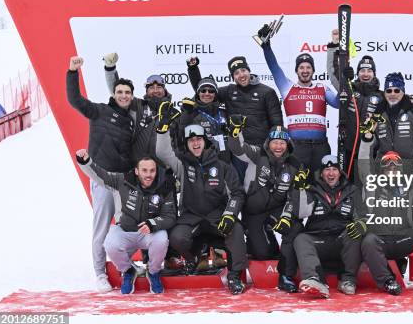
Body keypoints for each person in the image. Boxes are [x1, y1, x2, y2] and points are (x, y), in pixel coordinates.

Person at [155, 109, 248, 295]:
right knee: (176, 237)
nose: (195, 143)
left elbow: (237, 194)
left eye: (198, 139)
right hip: (192, 217)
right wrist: (162, 131)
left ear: (205, 141)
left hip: (216, 216)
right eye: (191, 140)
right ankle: (194, 257)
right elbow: (163, 152)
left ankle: (235, 275)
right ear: (187, 144)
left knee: (236, 230)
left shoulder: (222, 166)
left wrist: (230, 214)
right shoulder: (182, 164)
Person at [66, 56, 135, 292]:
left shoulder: (131, 120)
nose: (124, 96)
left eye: (127, 93)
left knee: (126, 227)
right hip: (102, 180)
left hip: (123, 183)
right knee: (102, 228)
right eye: (120, 92)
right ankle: (99, 273)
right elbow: (74, 100)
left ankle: (126, 268)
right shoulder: (99, 111)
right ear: (113, 93)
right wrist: (72, 72)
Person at [76, 151, 176, 294]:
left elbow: (170, 216)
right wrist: (86, 162)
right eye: (144, 170)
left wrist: (152, 224)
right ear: (136, 171)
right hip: (126, 231)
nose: (149, 174)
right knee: (110, 242)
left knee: (162, 239)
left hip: (148, 233)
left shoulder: (163, 186)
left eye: (152, 170)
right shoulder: (124, 181)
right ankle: (128, 270)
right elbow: (100, 175)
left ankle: (153, 272)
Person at [357, 122, 413, 294]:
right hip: (381, 240)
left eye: (395, 166)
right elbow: (364, 165)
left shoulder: (409, 185)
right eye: (387, 166)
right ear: (382, 169)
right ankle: (387, 281)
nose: (392, 169)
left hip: (403, 238)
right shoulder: (372, 185)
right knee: (368, 241)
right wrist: (366, 141)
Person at [227, 119, 302, 293]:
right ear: (269, 143)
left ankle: (286, 275)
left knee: (295, 227)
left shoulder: (295, 164)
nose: (278, 147)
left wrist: (286, 217)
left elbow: (293, 195)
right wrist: (235, 133)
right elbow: (238, 148)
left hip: (277, 208)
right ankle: (264, 237)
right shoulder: (257, 153)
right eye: (275, 142)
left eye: (282, 143)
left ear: (287, 144)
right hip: (254, 211)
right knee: (262, 253)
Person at [256, 24, 338, 176]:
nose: (305, 70)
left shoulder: (322, 88)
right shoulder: (287, 86)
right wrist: (266, 46)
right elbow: (274, 67)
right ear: (296, 71)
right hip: (297, 147)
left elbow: (339, 103)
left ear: (313, 70)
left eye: (308, 67)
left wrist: (342, 79)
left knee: (319, 184)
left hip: (320, 146)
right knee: (295, 185)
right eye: (301, 67)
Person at [187, 56, 283, 181]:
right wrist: (193, 69)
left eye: (243, 70)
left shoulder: (267, 92)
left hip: (261, 150)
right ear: (233, 77)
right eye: (236, 73)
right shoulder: (229, 91)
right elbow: (204, 92)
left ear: (249, 71)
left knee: (260, 188)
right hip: (238, 150)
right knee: (240, 187)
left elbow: (277, 122)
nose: (241, 75)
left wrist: (275, 148)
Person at [290, 155, 363, 298]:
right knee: (301, 239)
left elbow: (361, 215)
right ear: (321, 173)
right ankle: (314, 279)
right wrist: (300, 191)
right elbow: (301, 213)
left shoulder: (352, 190)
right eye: (327, 170)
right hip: (318, 238)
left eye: (334, 169)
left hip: (342, 238)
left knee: (355, 233)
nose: (331, 173)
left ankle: (348, 280)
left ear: (340, 172)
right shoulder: (312, 189)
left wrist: (361, 224)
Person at [327, 29, 384, 179]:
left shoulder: (381, 96)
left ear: (374, 74)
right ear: (358, 73)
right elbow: (332, 72)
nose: (365, 74)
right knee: (347, 185)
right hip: (348, 149)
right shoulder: (348, 88)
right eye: (362, 71)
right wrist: (334, 45)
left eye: (369, 71)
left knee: (368, 187)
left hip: (371, 152)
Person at [102, 53, 172, 164]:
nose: (155, 90)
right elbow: (119, 92)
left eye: (159, 87)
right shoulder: (138, 105)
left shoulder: (173, 112)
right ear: (146, 91)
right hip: (137, 166)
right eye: (151, 88)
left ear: (164, 90)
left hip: (163, 168)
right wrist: (110, 68)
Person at [172, 73, 229, 161]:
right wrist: (187, 113)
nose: (207, 93)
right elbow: (181, 138)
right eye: (203, 90)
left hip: (225, 162)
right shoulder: (190, 113)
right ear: (198, 93)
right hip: (201, 162)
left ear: (215, 94)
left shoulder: (223, 112)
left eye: (211, 91)